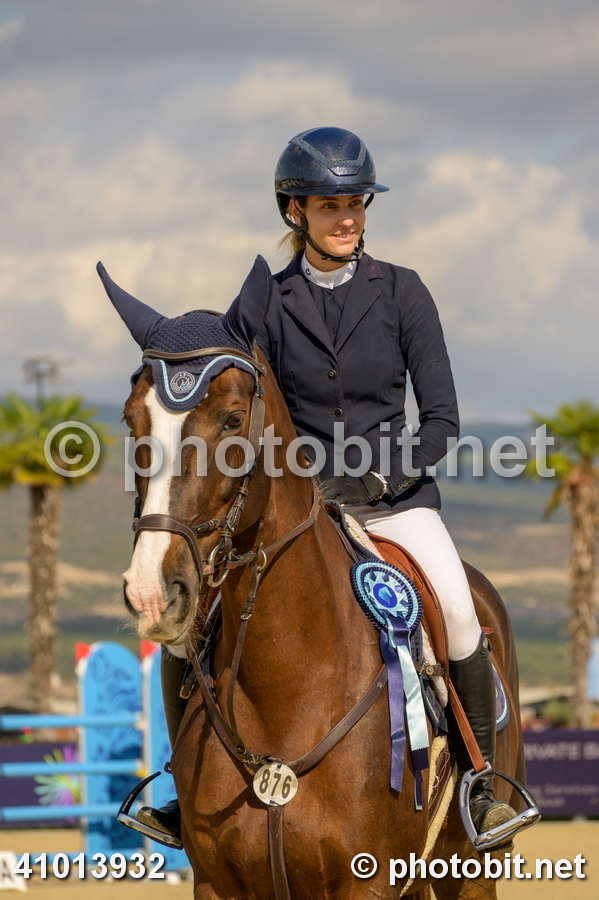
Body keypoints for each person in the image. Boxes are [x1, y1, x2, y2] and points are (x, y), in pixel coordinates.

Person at [133, 126, 521, 847]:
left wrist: (382, 474)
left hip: (395, 505)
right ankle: (184, 791)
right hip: (302, 507)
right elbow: (248, 411)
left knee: (460, 613)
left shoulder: (403, 291)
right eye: (329, 205)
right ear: (295, 211)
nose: (346, 218)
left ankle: (481, 788)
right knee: (186, 635)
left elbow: (441, 419)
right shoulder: (269, 304)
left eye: (355, 203)